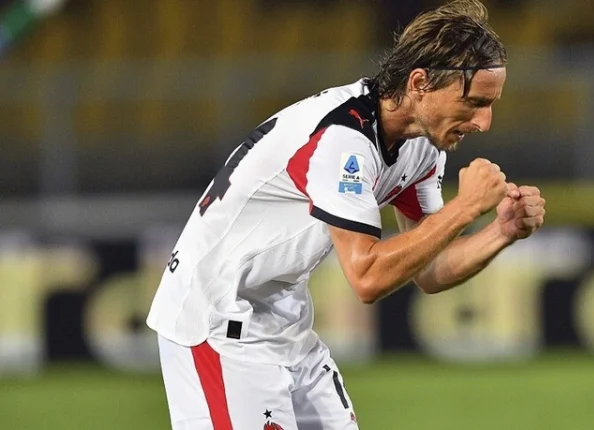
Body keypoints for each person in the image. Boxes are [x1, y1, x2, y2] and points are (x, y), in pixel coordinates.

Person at [146, 0, 546, 428]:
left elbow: (429, 268)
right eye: (474, 102)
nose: (484, 122)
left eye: (490, 104)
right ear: (420, 83)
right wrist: (464, 208)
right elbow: (367, 277)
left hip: (282, 320)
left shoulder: (423, 146)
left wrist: (501, 231)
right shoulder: (342, 139)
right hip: (218, 320)